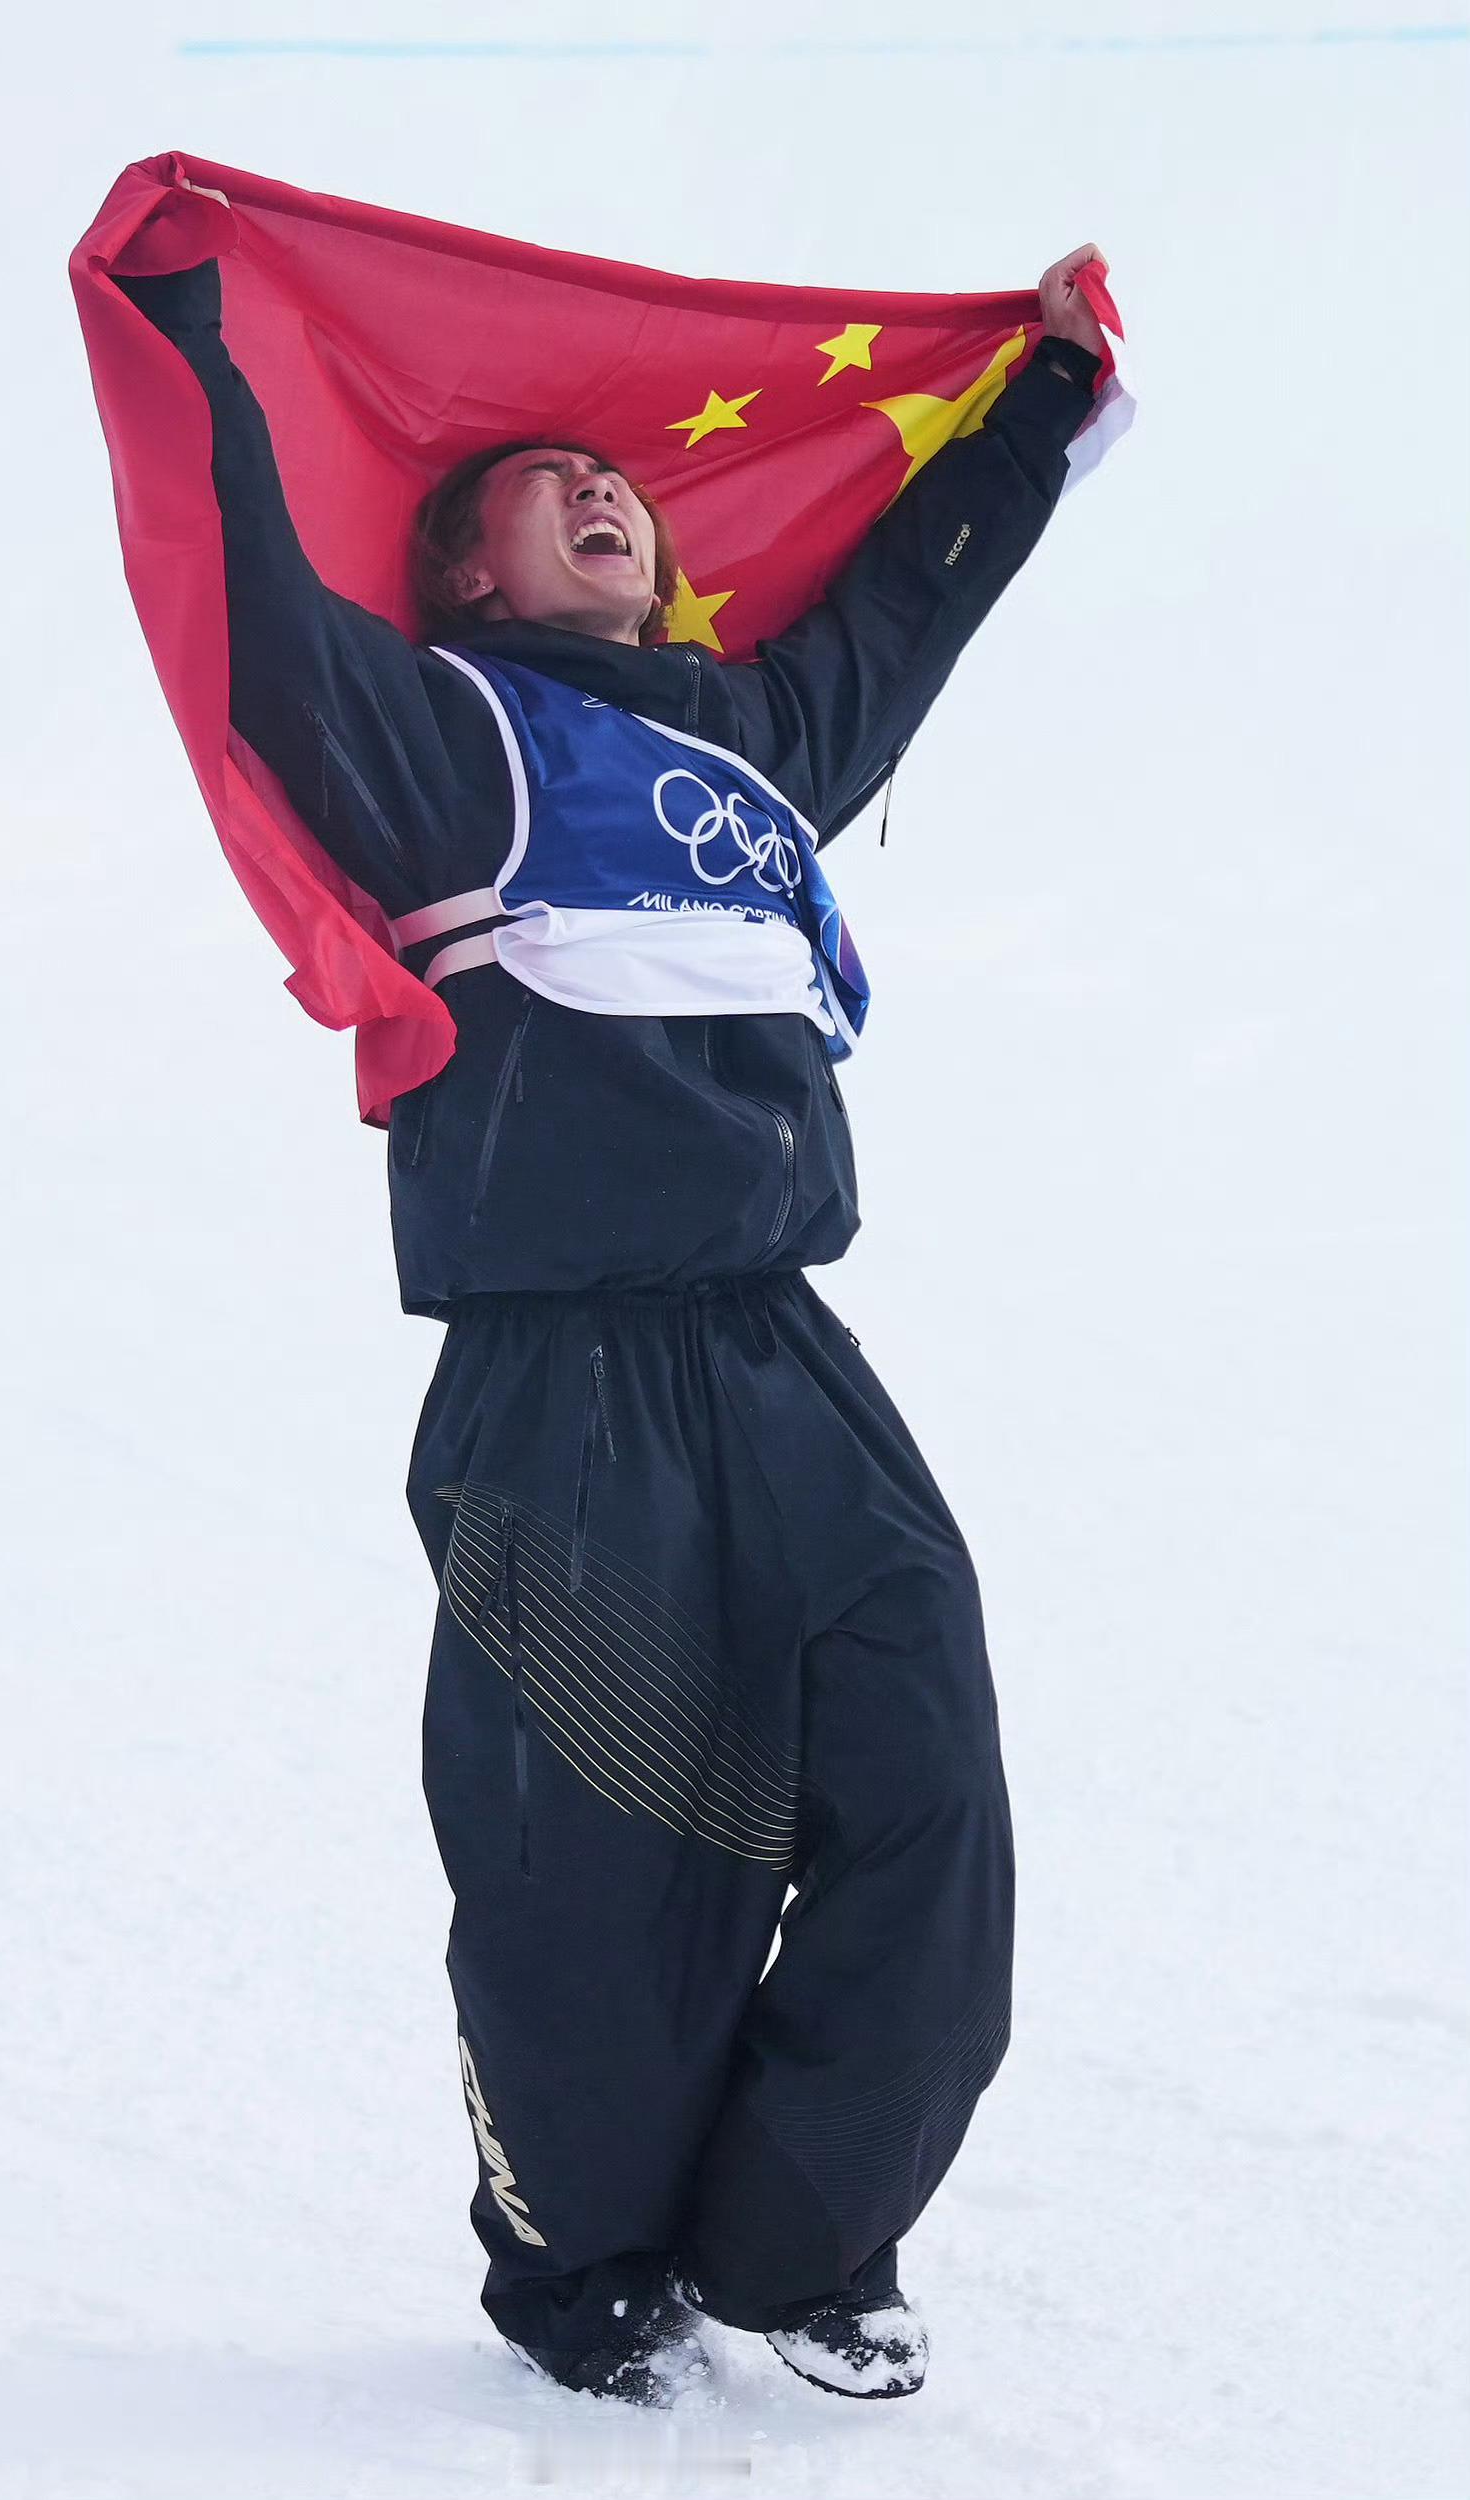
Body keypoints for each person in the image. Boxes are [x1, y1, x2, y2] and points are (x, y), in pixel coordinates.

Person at [109, 189, 1108, 2407]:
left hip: (784, 1351)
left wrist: (1042, 397)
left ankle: (798, 2228)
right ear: (465, 578)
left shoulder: (753, 748)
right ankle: (584, 2269)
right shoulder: (452, 737)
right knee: (596, 1872)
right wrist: (191, 316)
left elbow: (912, 606)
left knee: (929, 1785)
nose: (603, 496)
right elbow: (265, 617)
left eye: (623, 491)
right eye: (541, 495)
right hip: (564, 1384)